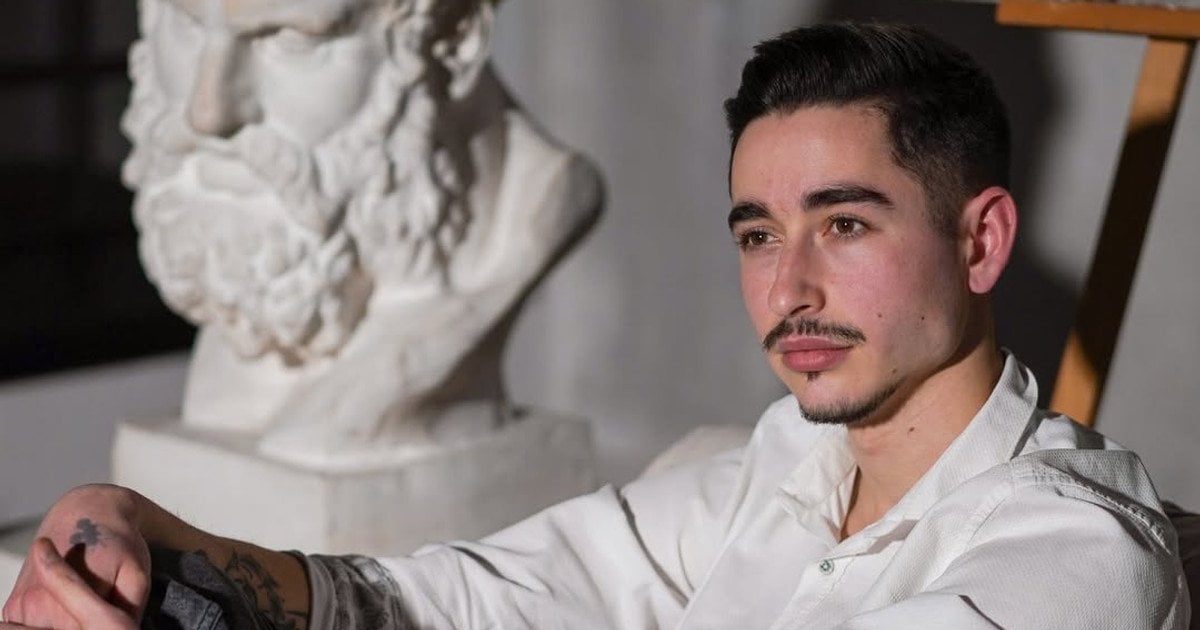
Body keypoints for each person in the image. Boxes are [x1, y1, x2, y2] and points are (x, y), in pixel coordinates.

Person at [3, 21, 1189, 630]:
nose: (789, 286)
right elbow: (464, 600)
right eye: (758, 234)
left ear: (980, 241)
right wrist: (143, 532)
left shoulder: (1074, 554)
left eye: (844, 224)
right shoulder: (785, 468)